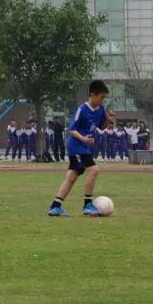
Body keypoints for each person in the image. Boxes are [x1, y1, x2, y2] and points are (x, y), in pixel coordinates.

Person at [47, 80, 112, 217]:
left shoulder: (101, 110)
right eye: (102, 97)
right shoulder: (82, 109)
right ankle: (87, 205)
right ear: (93, 95)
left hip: (83, 148)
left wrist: (108, 120)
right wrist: (84, 139)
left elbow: (101, 127)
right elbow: (71, 129)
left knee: (72, 177)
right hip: (76, 147)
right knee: (94, 170)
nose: (103, 100)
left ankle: (55, 206)